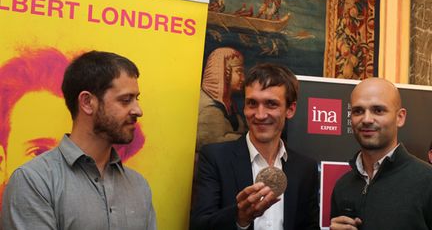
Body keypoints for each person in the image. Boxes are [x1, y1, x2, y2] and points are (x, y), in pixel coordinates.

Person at [2, 50, 156, 230]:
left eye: (136, 99)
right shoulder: (34, 181)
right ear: (87, 102)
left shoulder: (138, 185)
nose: (138, 110)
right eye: (125, 100)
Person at [190, 63, 319, 230]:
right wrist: (239, 217)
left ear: (290, 109)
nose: (260, 114)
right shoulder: (215, 158)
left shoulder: (305, 168)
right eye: (252, 103)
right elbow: (199, 225)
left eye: (271, 104)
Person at [330, 78, 432, 230]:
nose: (367, 119)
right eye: (358, 111)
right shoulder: (342, 186)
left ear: (400, 117)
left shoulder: (427, 181)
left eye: (378, 110)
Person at [196, 47, 246, 150]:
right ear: (225, 72)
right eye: (239, 72)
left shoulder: (229, 105)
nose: (243, 78)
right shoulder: (209, 109)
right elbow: (212, 143)